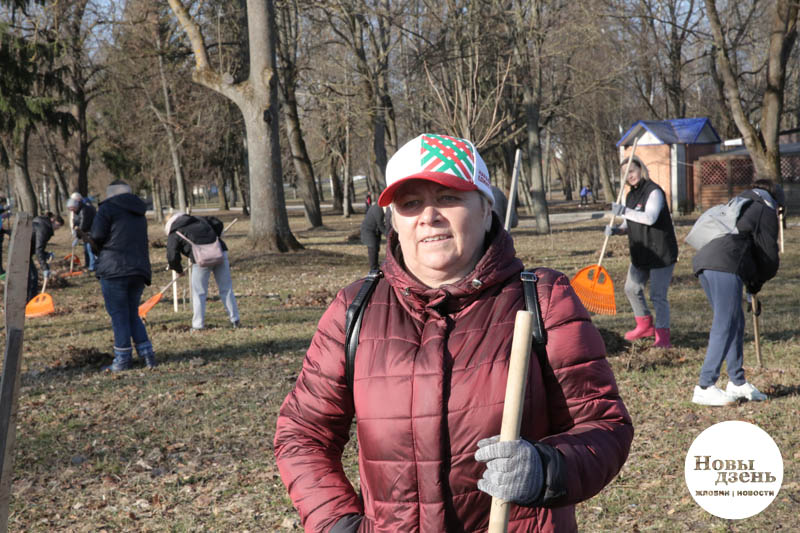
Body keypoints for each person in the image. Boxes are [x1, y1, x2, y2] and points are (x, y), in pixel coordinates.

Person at [275, 133, 633, 532]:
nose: (429, 216)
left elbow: (605, 426)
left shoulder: (543, 300)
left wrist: (545, 469)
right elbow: (302, 434)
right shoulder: (354, 309)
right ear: (394, 220)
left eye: (448, 197)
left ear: (485, 208)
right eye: (411, 203)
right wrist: (337, 524)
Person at [690, 179, 783, 406]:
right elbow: (768, 255)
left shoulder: (740, 203)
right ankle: (705, 386)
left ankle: (737, 382)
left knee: (736, 321)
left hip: (705, 262)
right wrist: (756, 284)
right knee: (725, 323)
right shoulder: (765, 208)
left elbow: (750, 247)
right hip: (725, 264)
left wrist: (751, 285)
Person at [81, 180, 155, 370]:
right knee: (132, 313)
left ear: (111, 194)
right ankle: (147, 354)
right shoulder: (139, 211)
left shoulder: (107, 209)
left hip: (114, 268)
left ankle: (122, 359)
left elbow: (97, 236)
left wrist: (89, 240)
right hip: (139, 269)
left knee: (119, 315)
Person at [605, 157, 678, 348]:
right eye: (625, 173)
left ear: (641, 169)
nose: (629, 176)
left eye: (632, 171)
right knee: (631, 288)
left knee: (657, 296)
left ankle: (663, 336)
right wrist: (617, 230)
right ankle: (644, 325)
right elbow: (630, 222)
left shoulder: (654, 192)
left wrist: (624, 211)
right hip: (642, 251)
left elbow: (650, 218)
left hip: (661, 252)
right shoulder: (631, 195)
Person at [165, 211, 240, 330]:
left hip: (201, 260)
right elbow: (217, 223)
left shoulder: (174, 232)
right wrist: (216, 235)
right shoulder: (198, 219)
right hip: (219, 252)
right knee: (226, 289)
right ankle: (235, 320)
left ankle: (198, 325)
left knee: (199, 292)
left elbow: (172, 256)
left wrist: (179, 270)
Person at [28, 211, 63, 302]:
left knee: (32, 276)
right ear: (52, 220)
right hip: (22, 252)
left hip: (25, 252)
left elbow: (38, 247)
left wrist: (46, 254)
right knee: (32, 277)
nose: (58, 228)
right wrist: (45, 268)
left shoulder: (43, 224)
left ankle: (31, 300)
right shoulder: (44, 228)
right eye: (58, 225)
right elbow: (38, 249)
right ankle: (30, 302)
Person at [67, 193, 97, 272]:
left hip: (90, 231)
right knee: (86, 249)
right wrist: (74, 230)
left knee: (90, 249)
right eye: (70, 209)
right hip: (84, 233)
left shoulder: (85, 209)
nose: (72, 211)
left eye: (72, 208)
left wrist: (78, 236)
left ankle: (92, 266)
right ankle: (87, 264)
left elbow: (83, 224)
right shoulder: (77, 210)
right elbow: (75, 221)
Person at [359, 203, 387, 271]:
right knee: (373, 249)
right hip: (369, 231)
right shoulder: (378, 209)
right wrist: (388, 235)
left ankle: (376, 266)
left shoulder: (380, 208)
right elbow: (380, 224)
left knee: (376, 248)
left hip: (375, 231)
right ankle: (373, 268)